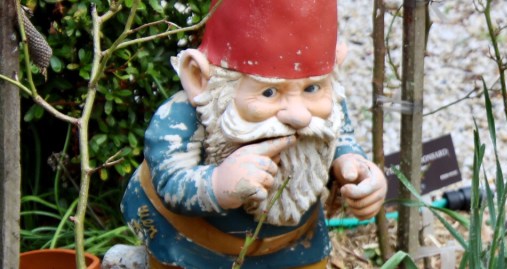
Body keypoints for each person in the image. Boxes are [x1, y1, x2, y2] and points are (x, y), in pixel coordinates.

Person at [119, 0, 386, 267]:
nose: (299, 115)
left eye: (312, 89)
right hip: (195, 250)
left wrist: (353, 166)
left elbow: (342, 139)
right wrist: (216, 185)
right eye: (269, 92)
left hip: (296, 247)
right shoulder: (179, 119)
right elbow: (170, 181)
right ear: (200, 78)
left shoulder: (327, 113)